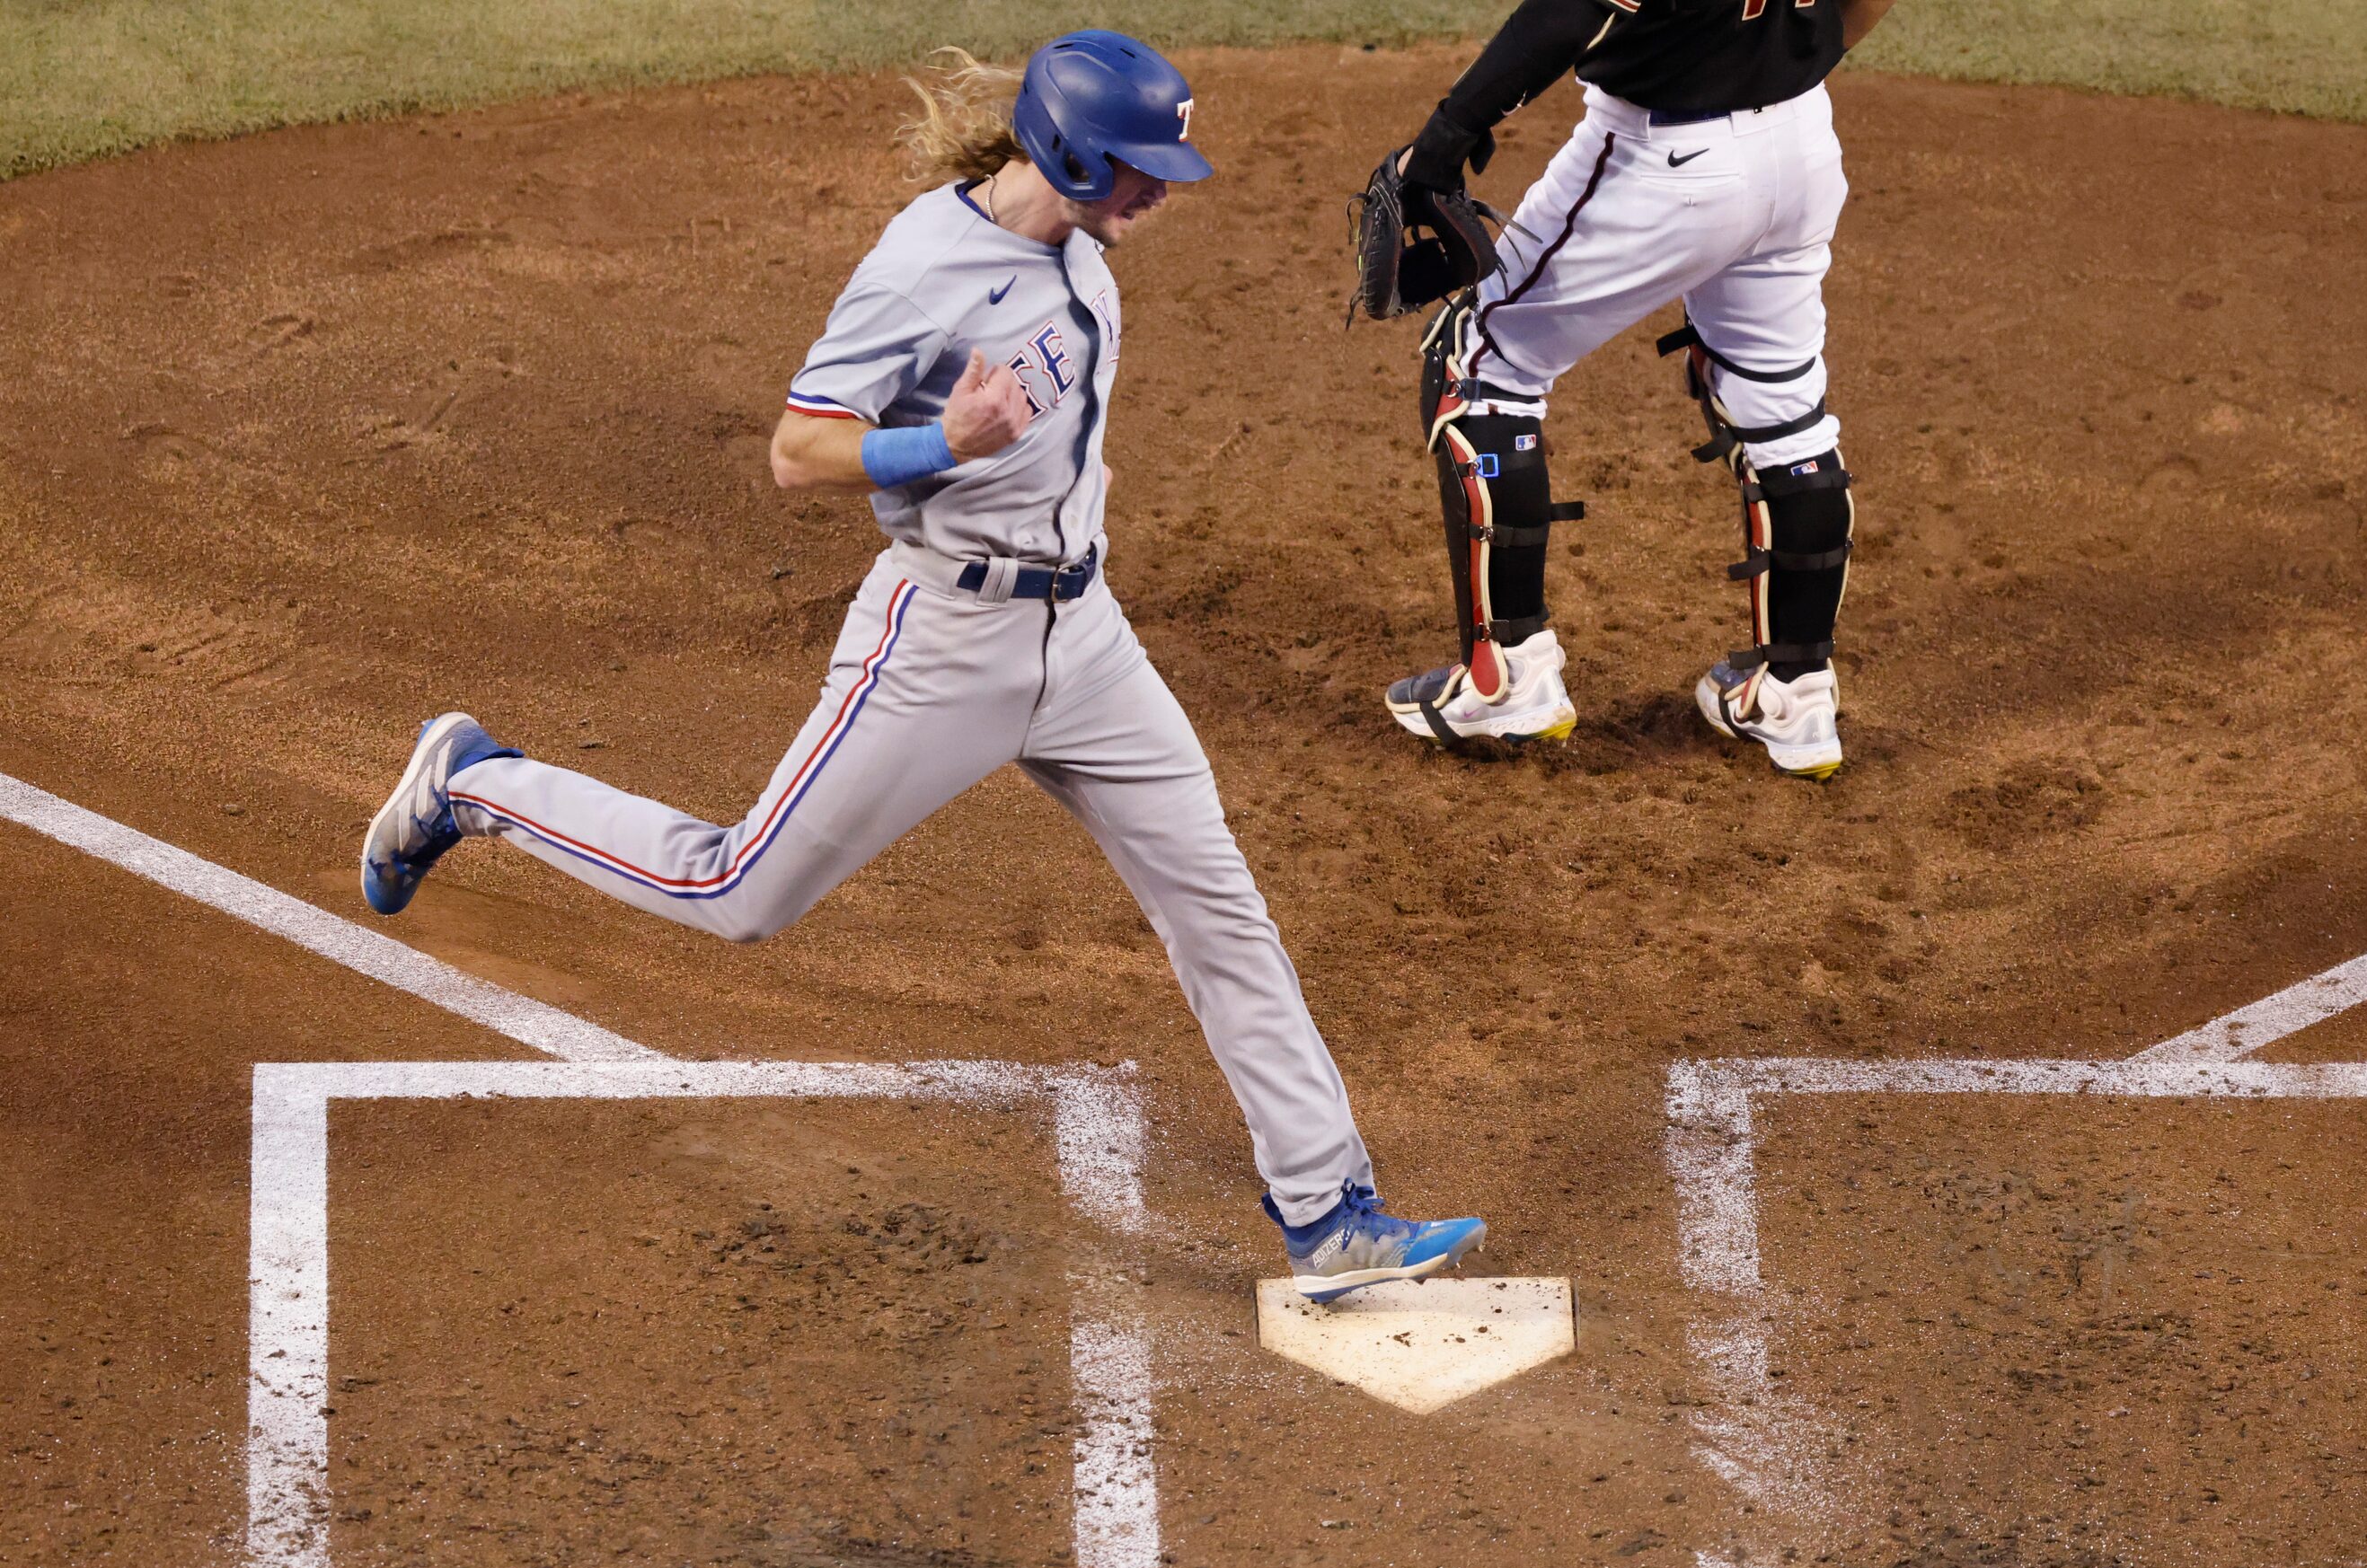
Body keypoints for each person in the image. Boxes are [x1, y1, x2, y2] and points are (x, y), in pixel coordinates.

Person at [355, 32, 1483, 1302]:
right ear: (1064, 148)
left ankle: (1327, 1213)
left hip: (1087, 638)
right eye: (1138, 170)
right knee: (738, 890)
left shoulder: (1081, 250)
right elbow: (797, 451)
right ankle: (474, 780)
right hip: (945, 641)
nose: (1159, 194)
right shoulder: (921, 269)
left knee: (1217, 906)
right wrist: (935, 442)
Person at [1374, 0, 1898, 780]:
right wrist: (1781, 66)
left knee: (1479, 362)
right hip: (1801, 140)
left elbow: (1572, 10)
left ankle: (1505, 679)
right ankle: (1794, 695)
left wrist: (1447, 136)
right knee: (1782, 405)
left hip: (1666, 159)